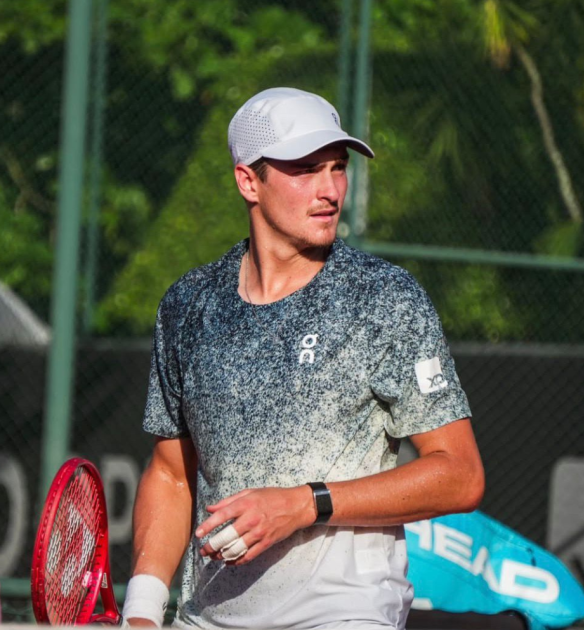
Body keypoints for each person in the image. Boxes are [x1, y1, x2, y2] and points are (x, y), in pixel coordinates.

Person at [125, 88, 485, 629]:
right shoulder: (187, 305)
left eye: (337, 168)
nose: (330, 190)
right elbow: (172, 475)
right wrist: (142, 613)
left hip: (346, 611)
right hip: (210, 614)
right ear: (249, 181)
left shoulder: (385, 299)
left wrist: (304, 503)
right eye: (305, 169)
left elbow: (460, 475)